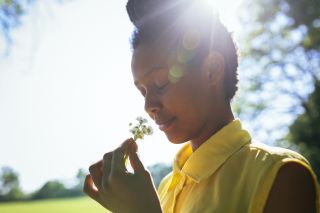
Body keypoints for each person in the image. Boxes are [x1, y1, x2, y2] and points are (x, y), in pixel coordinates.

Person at [83, 0, 319, 212]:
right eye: (142, 91)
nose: (148, 105)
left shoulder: (282, 175)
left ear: (212, 70)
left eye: (161, 83)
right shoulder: (164, 188)